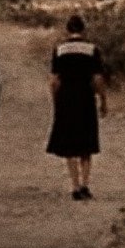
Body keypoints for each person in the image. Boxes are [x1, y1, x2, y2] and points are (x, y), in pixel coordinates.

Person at [46, 15, 108, 200]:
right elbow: (97, 79)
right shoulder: (92, 49)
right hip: (85, 97)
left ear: (67, 29)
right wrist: (103, 100)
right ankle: (85, 185)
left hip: (66, 97)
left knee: (69, 143)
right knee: (86, 143)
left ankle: (74, 185)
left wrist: (56, 100)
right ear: (83, 29)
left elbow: (54, 80)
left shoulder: (59, 49)